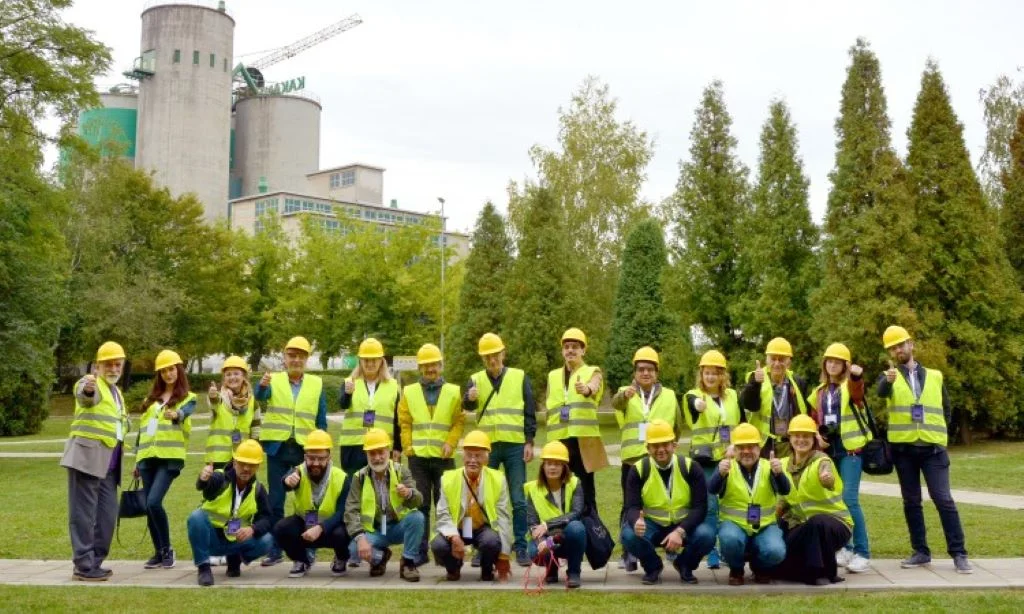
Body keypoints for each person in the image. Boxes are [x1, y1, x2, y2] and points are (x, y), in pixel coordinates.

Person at [877, 325, 972, 574]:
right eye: (893, 347)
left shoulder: (935, 376)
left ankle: (959, 553)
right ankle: (921, 552)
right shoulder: (889, 376)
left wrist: (940, 436)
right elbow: (880, 392)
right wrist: (887, 382)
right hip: (904, 451)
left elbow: (946, 409)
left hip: (933, 450)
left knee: (943, 499)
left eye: (901, 344)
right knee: (911, 502)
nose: (898, 350)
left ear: (911, 344)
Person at [253, 336, 329, 566]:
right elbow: (260, 396)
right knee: (276, 501)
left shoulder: (316, 384)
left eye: (300, 356)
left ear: (306, 359)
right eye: (291, 355)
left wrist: (322, 446)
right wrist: (262, 385)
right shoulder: (272, 379)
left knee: (309, 501)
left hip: (305, 451)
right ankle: (276, 549)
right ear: (284, 358)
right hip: (277, 448)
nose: (296, 360)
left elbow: (321, 419)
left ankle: (309, 547)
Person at [463, 332, 536, 568]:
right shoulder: (475, 379)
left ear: (503, 353)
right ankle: (481, 547)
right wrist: (469, 399)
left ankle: (521, 547)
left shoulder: (519, 376)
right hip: (487, 448)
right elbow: (467, 406)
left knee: (518, 499)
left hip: (515, 445)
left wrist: (529, 440)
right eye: (487, 357)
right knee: (480, 498)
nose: (492, 360)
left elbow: (529, 411)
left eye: (495, 355)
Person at [61, 341, 129, 581]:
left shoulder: (116, 391)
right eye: (107, 364)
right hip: (86, 459)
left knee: (108, 516)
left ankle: (95, 561)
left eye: (117, 364)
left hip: (110, 465)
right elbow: (85, 396)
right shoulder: (90, 382)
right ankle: (83, 564)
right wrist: (88, 390)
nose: (113, 368)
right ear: (97, 366)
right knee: (82, 514)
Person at [611, 346, 681, 571]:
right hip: (633, 460)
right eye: (641, 369)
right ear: (635, 372)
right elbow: (616, 404)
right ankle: (628, 553)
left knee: (665, 502)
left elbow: (678, 424)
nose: (645, 373)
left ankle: (669, 547)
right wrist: (625, 395)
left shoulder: (669, 395)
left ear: (656, 372)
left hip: (661, 460)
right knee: (630, 506)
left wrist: (669, 447)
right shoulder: (626, 392)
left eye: (650, 369)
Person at [620, 419, 713, 585]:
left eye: (665, 444)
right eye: (655, 445)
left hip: (683, 524)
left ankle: (685, 565)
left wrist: (680, 531)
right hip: (652, 525)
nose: (661, 449)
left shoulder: (691, 467)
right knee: (628, 535)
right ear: (647, 448)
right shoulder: (638, 470)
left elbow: (700, 507)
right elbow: (631, 506)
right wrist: (636, 522)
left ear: (674, 445)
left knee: (707, 535)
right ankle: (653, 567)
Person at [806, 343, 872, 574]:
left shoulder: (849, 386)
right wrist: (816, 435)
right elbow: (812, 418)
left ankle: (863, 552)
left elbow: (857, 392)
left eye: (837, 361)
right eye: (829, 360)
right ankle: (846, 546)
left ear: (845, 365)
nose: (832, 364)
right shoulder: (819, 392)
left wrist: (856, 375)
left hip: (851, 451)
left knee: (850, 499)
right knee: (835, 500)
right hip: (829, 451)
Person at [399, 343, 464, 565]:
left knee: (446, 504)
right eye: (426, 366)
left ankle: (447, 551)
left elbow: (458, 422)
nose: (430, 369)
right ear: (420, 368)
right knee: (421, 505)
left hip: (444, 458)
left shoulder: (454, 391)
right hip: (417, 458)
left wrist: (451, 443)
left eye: (434, 365)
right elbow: (405, 423)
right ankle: (420, 551)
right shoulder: (409, 391)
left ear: (441, 365)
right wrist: (408, 446)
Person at [134, 349, 197, 570]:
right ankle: (159, 552)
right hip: (147, 458)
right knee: (149, 506)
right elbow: (143, 431)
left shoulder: (188, 398)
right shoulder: (149, 400)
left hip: (170, 459)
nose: (168, 374)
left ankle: (168, 548)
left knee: (153, 502)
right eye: (163, 371)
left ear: (178, 370)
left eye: (171, 369)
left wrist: (177, 414)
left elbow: (185, 413)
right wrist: (136, 461)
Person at [709, 423, 790, 585]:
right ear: (735, 449)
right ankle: (736, 569)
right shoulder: (727, 467)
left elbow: (785, 490)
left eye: (751, 447)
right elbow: (711, 489)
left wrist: (779, 474)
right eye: (741, 447)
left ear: (759, 449)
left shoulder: (770, 466)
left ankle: (759, 568)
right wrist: (719, 474)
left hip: (765, 525)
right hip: (734, 525)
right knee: (729, 539)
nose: (746, 451)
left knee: (776, 551)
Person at [776, 415, 853, 585]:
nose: (801, 440)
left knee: (817, 523)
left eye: (806, 436)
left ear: (814, 439)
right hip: (802, 525)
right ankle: (812, 571)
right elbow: (781, 501)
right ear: (790, 438)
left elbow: (829, 478)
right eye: (797, 436)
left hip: (836, 524)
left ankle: (819, 573)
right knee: (778, 565)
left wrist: (827, 479)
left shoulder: (821, 460)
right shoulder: (782, 465)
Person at [683, 349, 742, 571]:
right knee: (709, 506)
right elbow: (692, 404)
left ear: (722, 376)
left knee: (728, 504)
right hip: (705, 461)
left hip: (729, 458)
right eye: (707, 373)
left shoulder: (733, 396)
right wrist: (698, 404)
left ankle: (727, 548)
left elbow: (740, 423)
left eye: (715, 373)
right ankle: (711, 552)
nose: (710, 377)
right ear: (701, 374)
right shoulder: (693, 395)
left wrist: (735, 445)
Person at [187, 439, 274, 586]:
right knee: (196, 517)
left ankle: (235, 560)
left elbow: (267, 518)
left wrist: (252, 529)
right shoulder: (220, 478)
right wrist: (203, 479)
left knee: (268, 540)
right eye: (242, 463)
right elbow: (207, 488)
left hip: (236, 540)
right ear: (234, 462)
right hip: (211, 539)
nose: (246, 468)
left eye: (251, 465)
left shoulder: (258, 489)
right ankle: (204, 568)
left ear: (258, 466)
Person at [431, 430, 514, 582]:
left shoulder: (498, 479)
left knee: (491, 541)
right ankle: (453, 568)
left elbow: (503, 518)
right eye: (469, 455)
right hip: (457, 528)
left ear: (487, 458)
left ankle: (487, 569)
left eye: (478, 456)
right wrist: (454, 537)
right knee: (438, 545)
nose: (473, 460)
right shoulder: (448, 479)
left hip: (483, 528)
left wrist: (504, 556)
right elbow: (442, 514)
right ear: (463, 456)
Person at [343, 428, 425, 582]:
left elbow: (419, 500)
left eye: (381, 452)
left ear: (388, 451)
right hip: (375, 530)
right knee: (353, 550)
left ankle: (408, 562)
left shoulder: (401, 471)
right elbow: (350, 510)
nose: (377, 458)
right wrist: (360, 539)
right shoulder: (359, 477)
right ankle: (380, 558)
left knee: (418, 518)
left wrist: (409, 493)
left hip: (399, 526)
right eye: (372, 453)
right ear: (366, 455)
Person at [274, 429, 352, 578]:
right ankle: (301, 560)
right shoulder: (298, 472)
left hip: (331, 528)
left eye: (321, 458)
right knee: (281, 528)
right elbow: (286, 481)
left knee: (343, 533)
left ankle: (341, 558)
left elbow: (343, 512)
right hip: (304, 526)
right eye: (311, 458)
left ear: (329, 457)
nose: (315, 463)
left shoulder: (341, 477)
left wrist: (321, 528)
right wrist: (286, 481)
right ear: (305, 457)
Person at [545, 327, 604, 513]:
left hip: (582, 443)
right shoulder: (552, 376)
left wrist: (586, 389)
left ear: (583, 350)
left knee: (586, 491)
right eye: (567, 346)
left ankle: (592, 531)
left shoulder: (593, 371)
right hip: (559, 442)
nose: (570, 350)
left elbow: (593, 387)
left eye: (575, 347)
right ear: (562, 350)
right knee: (560, 490)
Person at [524, 441, 586, 588]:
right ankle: (551, 568)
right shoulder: (533, 489)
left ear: (564, 467)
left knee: (577, 528)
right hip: (546, 539)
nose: (552, 467)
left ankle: (574, 572)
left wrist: (547, 525)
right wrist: (542, 544)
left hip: (566, 537)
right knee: (534, 551)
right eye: (549, 463)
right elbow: (533, 524)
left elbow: (576, 513)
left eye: (557, 464)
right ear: (543, 466)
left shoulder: (575, 483)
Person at [338, 337, 401, 473]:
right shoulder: (350, 382)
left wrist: (397, 447)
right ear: (360, 361)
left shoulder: (393, 386)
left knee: (381, 490)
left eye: (374, 360)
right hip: (354, 447)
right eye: (366, 360)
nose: (370, 364)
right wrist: (348, 393)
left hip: (381, 447)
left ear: (381, 361)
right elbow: (343, 404)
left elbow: (397, 420)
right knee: (354, 491)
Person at [741, 337, 809, 459]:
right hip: (764, 446)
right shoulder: (756, 378)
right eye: (773, 359)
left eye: (781, 359)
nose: (777, 363)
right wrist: (755, 384)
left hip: (791, 445)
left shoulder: (798, 382)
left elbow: (805, 412)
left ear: (789, 362)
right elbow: (750, 405)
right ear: (767, 360)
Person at [205, 355, 255, 470]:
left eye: (236, 373)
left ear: (244, 376)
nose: (232, 377)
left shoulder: (252, 400)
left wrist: (254, 450)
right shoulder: (219, 397)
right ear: (224, 378)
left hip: (243, 457)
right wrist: (213, 396)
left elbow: (255, 428)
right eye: (228, 374)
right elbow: (214, 403)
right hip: (218, 459)